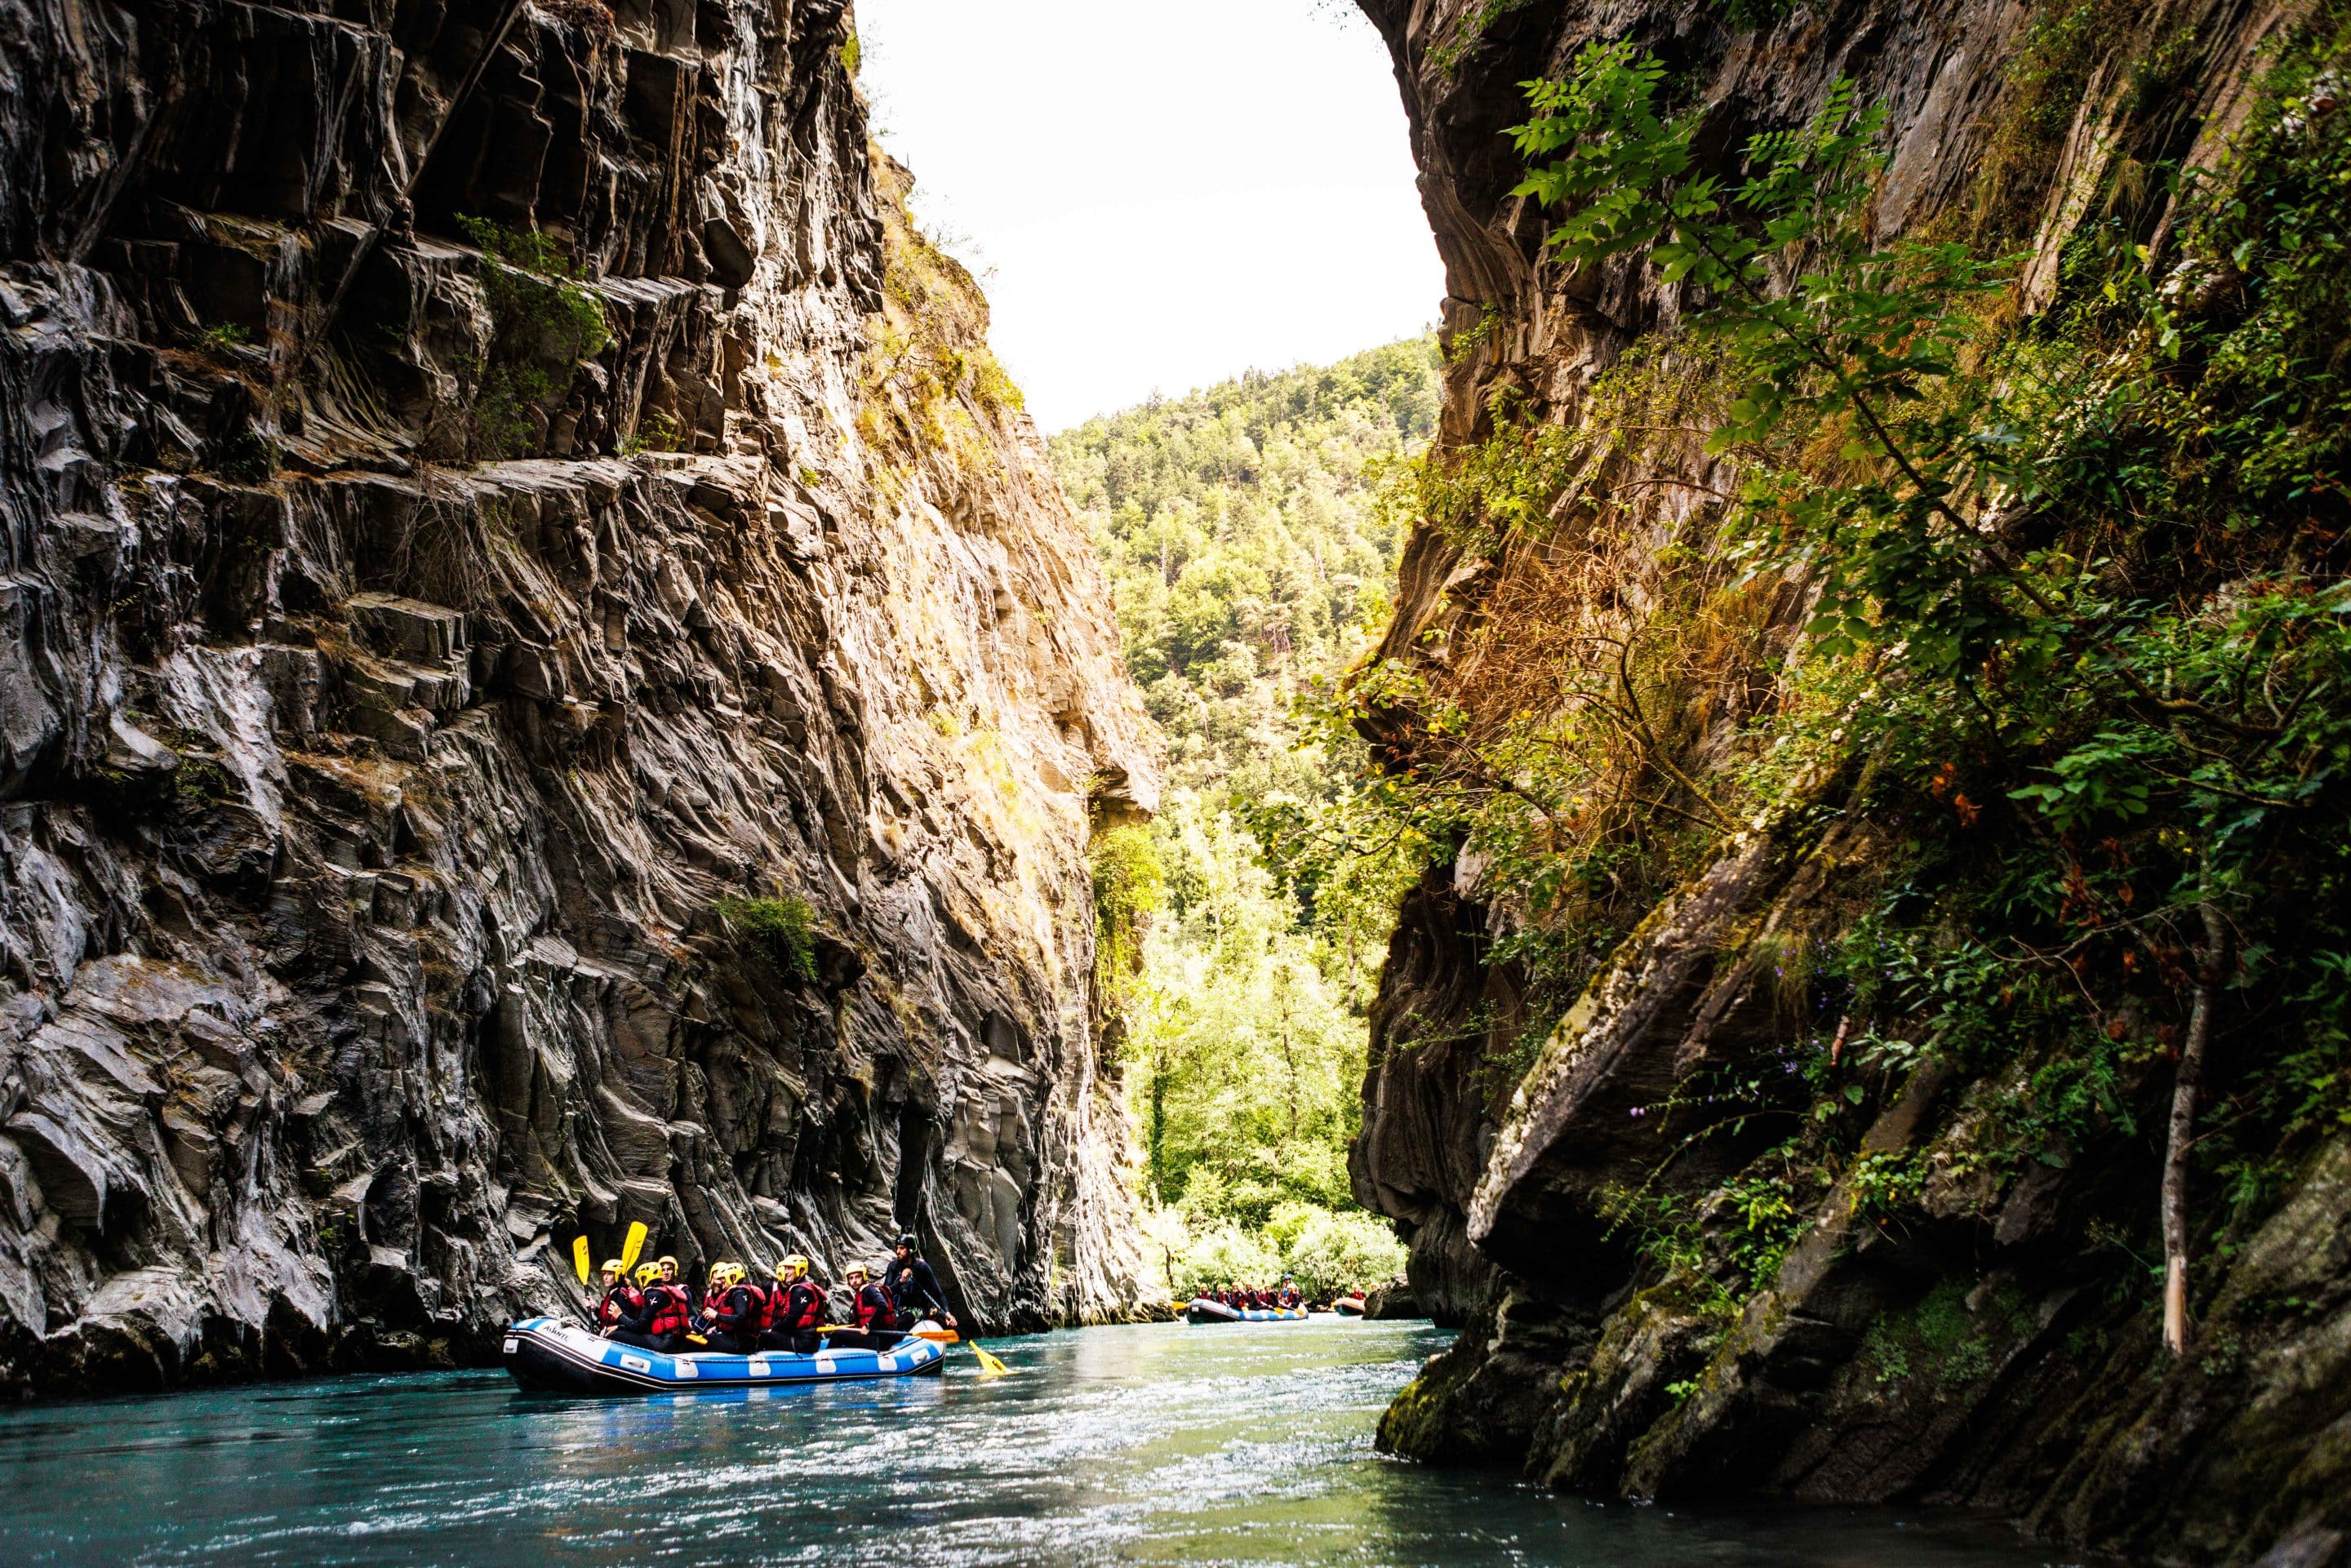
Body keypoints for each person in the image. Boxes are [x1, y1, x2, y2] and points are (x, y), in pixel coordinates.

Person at [607, 1261, 692, 1353]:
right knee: (620, 1332)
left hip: (664, 1344)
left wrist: (619, 1315)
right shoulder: (665, 1291)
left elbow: (639, 1327)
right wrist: (620, 1327)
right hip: (676, 1343)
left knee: (614, 1335)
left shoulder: (653, 1294)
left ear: (644, 1279)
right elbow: (645, 1326)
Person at [825, 1263, 904, 1351]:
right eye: (851, 1278)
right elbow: (857, 1324)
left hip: (879, 1340)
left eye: (858, 1277)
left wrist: (868, 1326)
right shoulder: (862, 1293)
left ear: (863, 1277)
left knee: (838, 1335)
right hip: (876, 1337)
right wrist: (835, 1327)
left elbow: (883, 1305)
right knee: (838, 1332)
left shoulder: (869, 1291)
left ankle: (825, 1362)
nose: (854, 1281)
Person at [887, 1232, 956, 1330]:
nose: (898, 1251)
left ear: (910, 1250)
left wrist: (947, 1313)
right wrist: (901, 1281)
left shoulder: (922, 1267)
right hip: (897, 1309)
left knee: (905, 1319)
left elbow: (938, 1294)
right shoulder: (893, 1266)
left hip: (916, 1310)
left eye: (902, 1248)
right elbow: (886, 1292)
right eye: (897, 1248)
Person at [762, 1255, 828, 1354]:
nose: (786, 1272)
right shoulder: (803, 1288)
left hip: (803, 1343)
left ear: (800, 1270)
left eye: (790, 1269)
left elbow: (790, 1321)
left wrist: (770, 1330)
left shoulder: (801, 1291)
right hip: (808, 1340)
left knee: (761, 1336)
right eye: (786, 1269)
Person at [701, 1263, 766, 1354]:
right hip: (737, 1339)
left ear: (732, 1277)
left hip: (741, 1343)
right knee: (703, 1337)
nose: (722, 1281)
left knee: (703, 1342)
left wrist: (716, 1315)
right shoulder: (734, 1293)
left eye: (724, 1279)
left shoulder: (740, 1293)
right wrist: (717, 1328)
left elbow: (740, 1319)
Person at [594, 1259, 638, 1331]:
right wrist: (595, 1309)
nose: (605, 1277)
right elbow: (607, 1317)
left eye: (609, 1274)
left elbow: (627, 1322)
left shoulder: (620, 1295)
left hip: (615, 1336)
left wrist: (618, 1328)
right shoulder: (613, 1291)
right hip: (606, 1332)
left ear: (619, 1275)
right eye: (604, 1274)